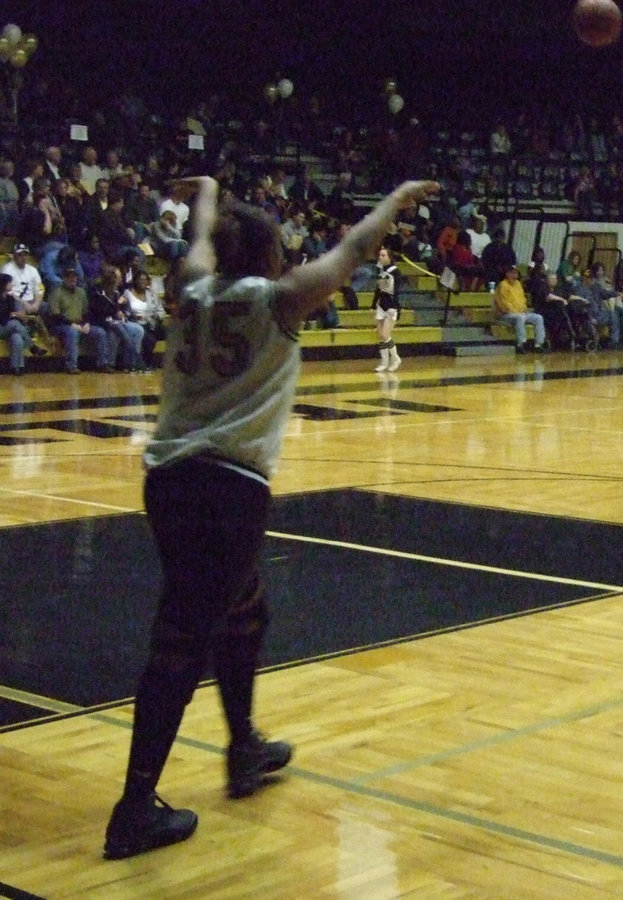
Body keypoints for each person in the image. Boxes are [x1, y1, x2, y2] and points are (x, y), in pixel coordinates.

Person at [102, 175, 438, 861]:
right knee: (181, 641)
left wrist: (209, 193)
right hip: (226, 489)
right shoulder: (277, 300)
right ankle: (134, 808)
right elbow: (353, 247)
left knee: (245, 610)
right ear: (269, 255)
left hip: (168, 481)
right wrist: (395, 199)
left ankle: (244, 746)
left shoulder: (192, 286)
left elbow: (198, 239)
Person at [493, 263, 547, 353]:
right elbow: (503, 303)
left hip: (520, 313)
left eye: (516, 273)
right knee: (520, 317)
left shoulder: (518, 284)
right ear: (507, 274)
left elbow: (522, 300)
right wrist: (517, 312)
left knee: (538, 318)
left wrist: (524, 309)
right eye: (512, 273)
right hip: (506, 314)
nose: (515, 275)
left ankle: (538, 344)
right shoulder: (502, 285)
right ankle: (521, 344)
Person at [372, 247, 403, 372]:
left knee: (385, 334)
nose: (381, 257)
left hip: (391, 306)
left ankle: (395, 358)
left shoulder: (396, 272)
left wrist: (394, 306)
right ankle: (384, 362)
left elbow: (397, 291)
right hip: (381, 306)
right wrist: (373, 305)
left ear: (390, 257)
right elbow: (378, 290)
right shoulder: (381, 271)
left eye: (383, 255)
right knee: (380, 335)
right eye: (380, 255)